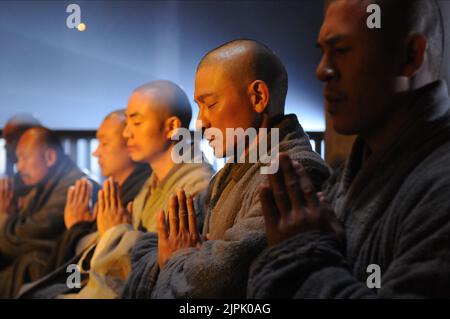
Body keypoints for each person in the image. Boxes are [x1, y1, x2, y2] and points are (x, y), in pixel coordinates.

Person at [247, 0, 450, 298]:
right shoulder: (344, 180)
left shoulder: (440, 189)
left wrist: (301, 254)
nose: (321, 70)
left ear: (410, 56)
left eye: (341, 51)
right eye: (322, 52)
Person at [122, 39, 330, 299]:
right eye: (198, 107)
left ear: (258, 97)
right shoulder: (226, 175)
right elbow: (152, 245)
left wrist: (178, 257)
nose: (201, 122)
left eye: (210, 104)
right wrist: (188, 256)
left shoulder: (293, 173)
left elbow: (214, 282)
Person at [24, 80, 214, 299]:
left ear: (171, 127)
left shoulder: (194, 186)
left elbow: (154, 264)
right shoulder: (154, 182)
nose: (126, 134)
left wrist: (116, 231)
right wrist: (104, 230)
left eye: (136, 122)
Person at [17, 109, 151, 299]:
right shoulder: (112, 193)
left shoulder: (138, 194)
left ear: (130, 144)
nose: (96, 152)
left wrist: (78, 228)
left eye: (104, 143)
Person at [0, 126, 94, 298]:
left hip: (68, 280)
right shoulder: (42, 187)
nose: (18, 167)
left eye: (23, 157)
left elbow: (18, 238)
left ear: (50, 157)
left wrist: (4, 217)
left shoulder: (75, 187)